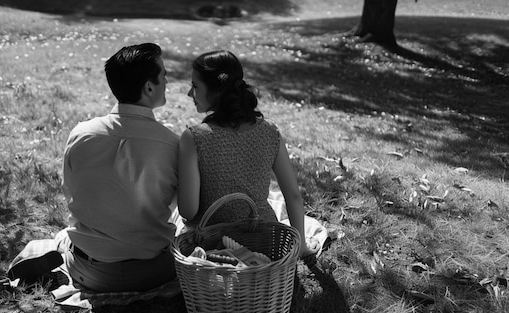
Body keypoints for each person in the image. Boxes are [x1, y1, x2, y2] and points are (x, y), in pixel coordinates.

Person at [58, 42, 180, 292]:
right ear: (148, 87)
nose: (167, 82)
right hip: (154, 271)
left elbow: (70, 193)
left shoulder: (82, 134)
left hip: (89, 271)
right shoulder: (172, 144)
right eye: (164, 77)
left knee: (63, 236)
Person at [177, 50, 318, 258]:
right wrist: (301, 247)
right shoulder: (270, 131)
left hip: (213, 245)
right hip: (265, 241)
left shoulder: (194, 138)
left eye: (195, 86)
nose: (190, 94)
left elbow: (188, 211)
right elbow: (294, 196)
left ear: (216, 91)